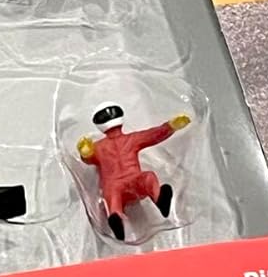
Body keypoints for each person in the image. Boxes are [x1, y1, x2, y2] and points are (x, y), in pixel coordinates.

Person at [77, 103, 190, 241]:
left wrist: (170, 127)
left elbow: (153, 135)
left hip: (134, 181)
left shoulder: (123, 141)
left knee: (148, 177)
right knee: (112, 192)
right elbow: (89, 159)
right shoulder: (101, 146)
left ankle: (160, 198)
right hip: (116, 185)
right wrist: (86, 153)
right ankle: (116, 218)